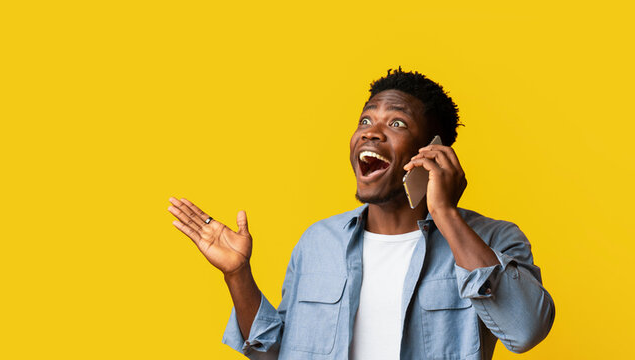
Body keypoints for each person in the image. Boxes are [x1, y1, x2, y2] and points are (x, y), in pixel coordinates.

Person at [167, 68, 554, 360]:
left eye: (397, 123)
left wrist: (444, 213)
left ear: (432, 151)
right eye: (365, 120)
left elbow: (526, 331)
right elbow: (276, 352)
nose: (371, 132)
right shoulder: (318, 242)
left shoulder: (493, 240)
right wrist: (238, 275)